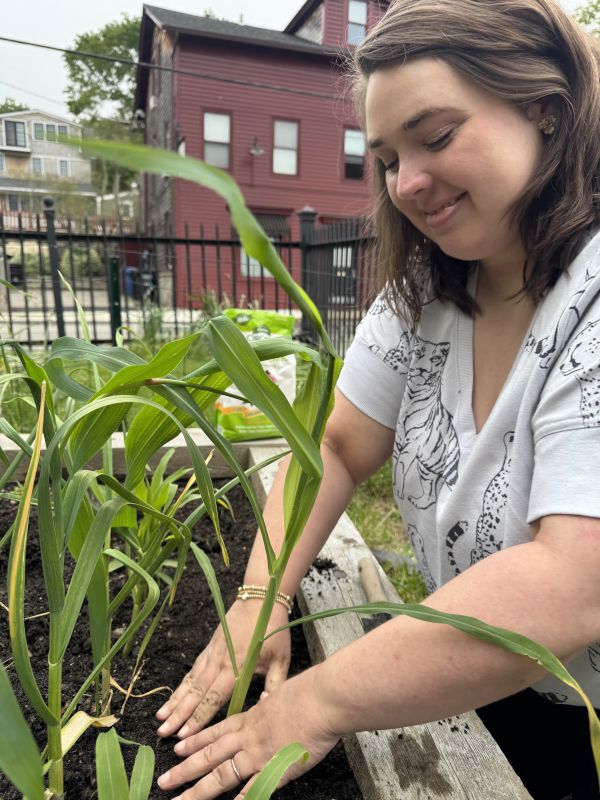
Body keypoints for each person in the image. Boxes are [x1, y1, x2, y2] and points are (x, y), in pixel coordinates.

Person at [155, 0, 600, 797]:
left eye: (435, 137)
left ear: (546, 108)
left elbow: (573, 583)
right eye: (388, 158)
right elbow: (335, 447)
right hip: (482, 673)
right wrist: (260, 601)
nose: (408, 184)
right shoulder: (429, 290)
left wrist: (313, 704)